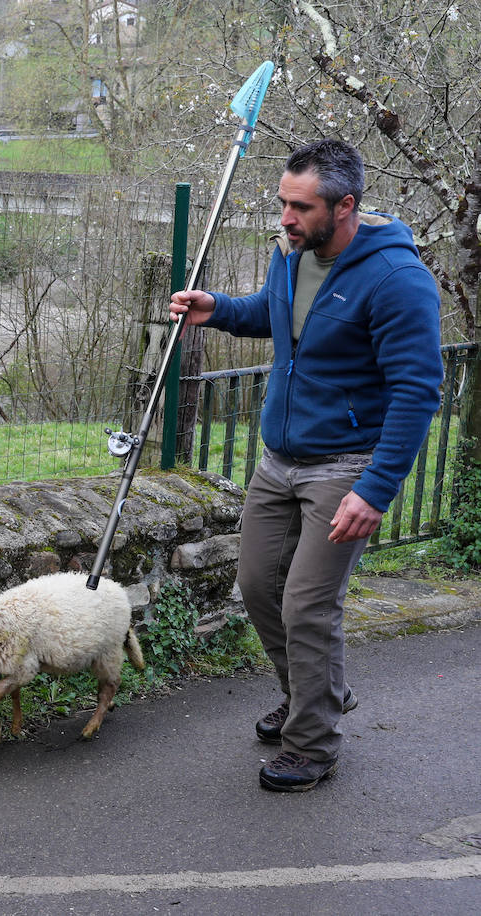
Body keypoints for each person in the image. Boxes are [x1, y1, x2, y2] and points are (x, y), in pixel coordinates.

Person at [170, 139, 443, 792]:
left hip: (347, 465)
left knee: (307, 606)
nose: (285, 218)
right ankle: (315, 695)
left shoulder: (397, 280)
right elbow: (280, 314)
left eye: (300, 206)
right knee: (259, 586)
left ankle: (312, 744)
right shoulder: (292, 251)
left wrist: (374, 491)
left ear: (344, 206)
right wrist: (222, 311)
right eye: (282, 204)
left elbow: (417, 389)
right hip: (279, 457)